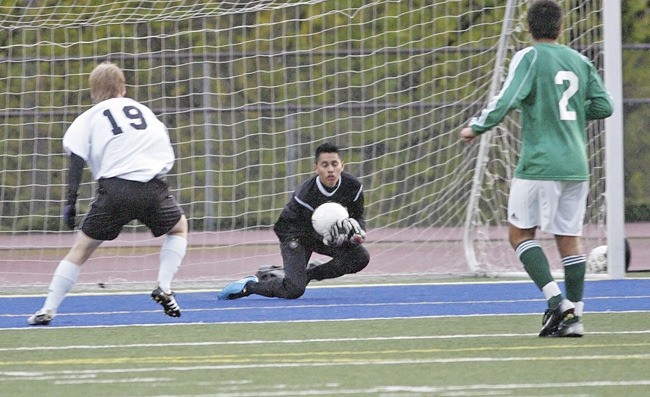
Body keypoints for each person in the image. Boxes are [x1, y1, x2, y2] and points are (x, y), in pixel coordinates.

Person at [459, 0, 613, 337]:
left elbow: (506, 99)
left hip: (539, 164)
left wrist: (476, 127)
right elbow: (605, 105)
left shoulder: (530, 57)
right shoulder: (580, 61)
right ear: (561, 27)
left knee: (519, 235)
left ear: (529, 28)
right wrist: (571, 114)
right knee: (569, 241)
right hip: (576, 165)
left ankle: (558, 302)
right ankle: (577, 317)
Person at [28, 62, 188, 325]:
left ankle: (48, 309)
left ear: (93, 92)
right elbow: (161, 147)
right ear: (123, 88)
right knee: (179, 228)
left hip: (115, 190)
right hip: (152, 187)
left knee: (79, 251)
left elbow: (76, 159)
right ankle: (164, 285)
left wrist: (70, 203)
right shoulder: (145, 112)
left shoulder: (89, 117)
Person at [217, 142, 369, 300]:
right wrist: (321, 237)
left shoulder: (353, 187)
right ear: (316, 168)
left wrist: (358, 234)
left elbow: (357, 216)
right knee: (294, 290)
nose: (330, 169)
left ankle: (307, 274)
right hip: (296, 236)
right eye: (324, 165)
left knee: (360, 257)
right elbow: (282, 227)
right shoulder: (305, 195)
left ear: (342, 166)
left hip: (325, 237)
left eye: (334, 164)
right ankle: (249, 286)